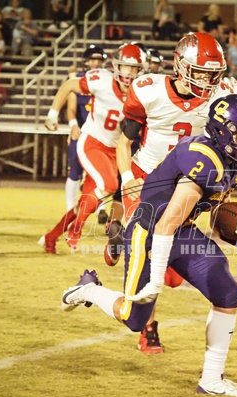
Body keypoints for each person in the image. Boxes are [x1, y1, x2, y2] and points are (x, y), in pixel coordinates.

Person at [59, 94, 237, 397]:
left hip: (182, 231)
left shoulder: (228, 159)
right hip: (148, 233)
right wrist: (156, 280)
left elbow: (208, 213)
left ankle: (211, 380)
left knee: (227, 293)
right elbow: (165, 224)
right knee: (134, 318)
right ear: (225, 132)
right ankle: (87, 290)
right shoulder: (203, 160)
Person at [115, 32, 230, 354]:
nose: (206, 81)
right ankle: (148, 328)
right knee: (149, 257)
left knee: (173, 276)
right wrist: (127, 177)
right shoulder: (148, 90)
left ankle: (119, 234)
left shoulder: (220, 96)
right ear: (180, 66)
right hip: (145, 180)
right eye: (200, 73)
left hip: (183, 186)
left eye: (212, 74)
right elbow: (124, 141)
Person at [40, 43, 146, 255]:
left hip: (116, 152)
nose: (129, 73)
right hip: (93, 142)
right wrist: (52, 114)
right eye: (126, 66)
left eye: (134, 68)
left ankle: (50, 237)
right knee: (110, 185)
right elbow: (69, 85)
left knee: (88, 200)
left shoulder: (143, 92)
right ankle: (76, 229)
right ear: (116, 66)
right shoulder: (102, 80)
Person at [63, 44, 107, 214]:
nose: (96, 63)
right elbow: (71, 108)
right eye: (92, 59)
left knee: (103, 172)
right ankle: (69, 209)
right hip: (83, 132)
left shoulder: (109, 81)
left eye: (99, 59)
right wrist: (73, 125)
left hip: (103, 134)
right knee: (75, 170)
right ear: (86, 61)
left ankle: (101, 208)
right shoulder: (79, 80)